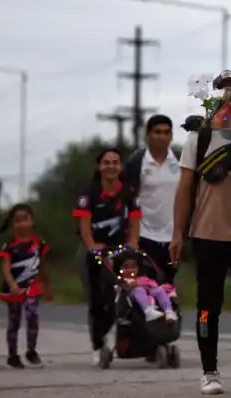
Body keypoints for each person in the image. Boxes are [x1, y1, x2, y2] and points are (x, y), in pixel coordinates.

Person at [171, 98, 231, 396]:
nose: (230, 104)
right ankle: (209, 372)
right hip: (208, 232)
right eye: (224, 99)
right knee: (208, 306)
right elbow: (184, 187)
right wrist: (177, 233)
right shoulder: (199, 138)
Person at [73, 147, 141, 365]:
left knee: (121, 296)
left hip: (118, 250)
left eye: (115, 162)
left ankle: (127, 339)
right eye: (106, 162)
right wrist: (93, 247)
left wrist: (132, 245)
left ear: (120, 166)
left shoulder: (129, 192)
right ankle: (97, 344)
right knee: (97, 301)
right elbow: (84, 226)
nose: (111, 166)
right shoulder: (88, 194)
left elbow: (135, 221)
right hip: (92, 251)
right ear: (99, 166)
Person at [124, 115, 181, 285]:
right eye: (157, 132)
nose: (162, 137)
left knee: (168, 285)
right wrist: (131, 235)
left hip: (172, 236)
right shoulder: (137, 161)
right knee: (146, 284)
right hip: (145, 234)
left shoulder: (179, 159)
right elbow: (128, 198)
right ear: (148, 135)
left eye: (167, 132)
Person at [0, 203, 52, 369]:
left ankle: (31, 351)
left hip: (32, 288)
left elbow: (42, 266)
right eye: (17, 221)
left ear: (32, 221)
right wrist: (12, 284)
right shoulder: (9, 245)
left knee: (33, 318)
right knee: (14, 322)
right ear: (12, 224)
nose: (22, 224)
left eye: (25, 219)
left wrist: (47, 286)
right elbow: (5, 267)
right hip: (14, 289)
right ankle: (12, 355)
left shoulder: (39, 243)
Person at [117, 254, 178, 323]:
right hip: (131, 297)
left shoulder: (142, 278)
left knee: (159, 290)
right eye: (126, 267)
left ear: (138, 268)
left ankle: (168, 311)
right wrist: (128, 286)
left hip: (148, 295)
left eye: (133, 267)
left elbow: (153, 285)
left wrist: (140, 283)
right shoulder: (120, 280)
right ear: (120, 268)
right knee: (139, 290)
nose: (130, 270)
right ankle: (148, 311)